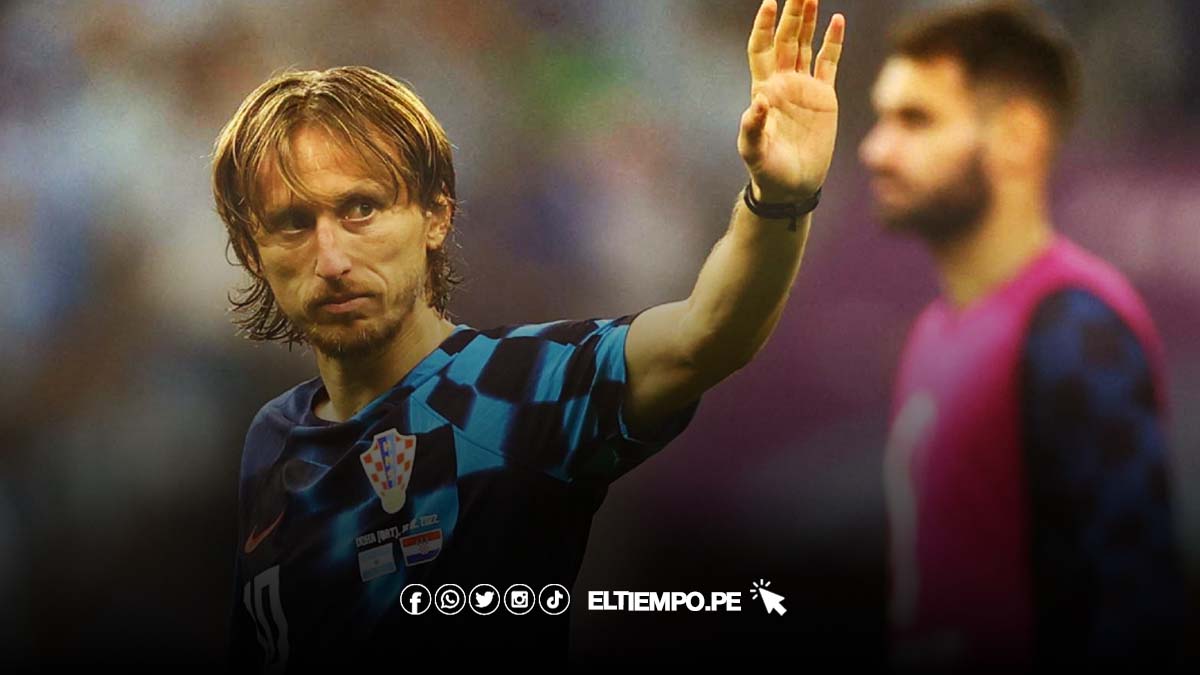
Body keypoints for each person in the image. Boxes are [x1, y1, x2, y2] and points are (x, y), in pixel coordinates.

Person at [212, 0, 845, 670]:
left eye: (361, 208)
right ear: (253, 252)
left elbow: (708, 332)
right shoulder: (271, 440)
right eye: (293, 223)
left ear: (435, 216)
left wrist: (780, 198)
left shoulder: (517, 389)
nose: (332, 257)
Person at [860, 1, 1186, 669]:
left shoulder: (1075, 329)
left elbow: (1138, 612)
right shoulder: (931, 331)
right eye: (881, 118)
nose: (876, 150)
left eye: (915, 120)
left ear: (1017, 135)